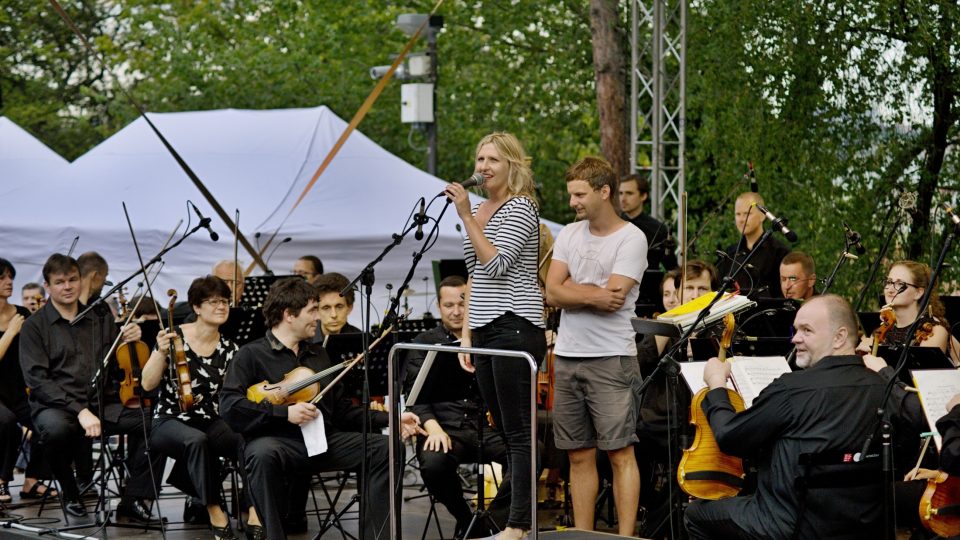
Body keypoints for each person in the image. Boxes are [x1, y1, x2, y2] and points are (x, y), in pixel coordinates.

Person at [219, 277, 423, 540]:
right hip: (278, 442)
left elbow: (342, 412)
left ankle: (376, 536)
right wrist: (284, 413)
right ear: (289, 315)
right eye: (313, 310)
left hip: (321, 442)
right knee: (260, 453)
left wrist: (391, 418)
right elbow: (230, 407)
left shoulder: (319, 355)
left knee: (383, 448)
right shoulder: (250, 354)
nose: (319, 318)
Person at [684, 294, 891, 539]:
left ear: (839, 337)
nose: (795, 338)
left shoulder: (792, 389)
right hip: (862, 526)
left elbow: (730, 437)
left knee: (695, 514)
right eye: (795, 329)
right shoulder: (883, 388)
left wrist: (717, 386)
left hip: (788, 525)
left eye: (807, 330)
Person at [445, 132, 547, 540]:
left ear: (512, 166)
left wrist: (468, 216)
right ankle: (513, 518)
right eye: (480, 158)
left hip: (515, 325)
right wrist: (466, 334)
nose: (483, 166)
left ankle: (519, 525)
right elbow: (474, 278)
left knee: (520, 433)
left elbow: (498, 266)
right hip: (486, 328)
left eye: (493, 160)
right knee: (506, 433)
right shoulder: (483, 207)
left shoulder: (521, 207)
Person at [545, 157, 647, 535]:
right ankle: (584, 535)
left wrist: (572, 291)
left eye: (579, 194)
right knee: (578, 455)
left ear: (604, 192)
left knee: (620, 453)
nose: (573, 202)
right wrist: (591, 294)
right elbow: (552, 290)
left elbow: (616, 299)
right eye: (571, 193)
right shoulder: (570, 234)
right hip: (568, 357)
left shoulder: (631, 237)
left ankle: (625, 537)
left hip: (612, 357)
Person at [19, 254, 163, 521]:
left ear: (80, 280)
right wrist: (80, 411)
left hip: (102, 402)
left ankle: (134, 498)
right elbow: (38, 381)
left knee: (157, 423)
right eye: (59, 282)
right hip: (57, 406)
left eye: (72, 279)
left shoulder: (100, 316)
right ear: (47, 286)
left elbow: (114, 365)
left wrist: (129, 340)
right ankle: (73, 492)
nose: (68, 286)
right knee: (54, 431)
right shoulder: (34, 327)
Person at [141, 275, 249, 539]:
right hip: (169, 420)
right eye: (213, 302)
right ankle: (214, 508)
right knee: (196, 440)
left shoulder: (231, 348)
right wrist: (160, 352)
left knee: (247, 440)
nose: (222, 306)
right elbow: (147, 384)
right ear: (197, 307)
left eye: (225, 301)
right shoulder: (173, 337)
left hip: (210, 419)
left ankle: (253, 508)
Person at [403, 275, 510, 537]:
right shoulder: (424, 342)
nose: (457, 311)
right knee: (433, 463)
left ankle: (493, 521)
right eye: (449, 305)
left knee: (532, 453)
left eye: (463, 303)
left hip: (486, 426)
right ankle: (465, 518)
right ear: (439, 306)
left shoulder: (487, 338)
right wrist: (433, 428)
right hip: (445, 427)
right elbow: (414, 396)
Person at [0, 258, 54, 503]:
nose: (9, 282)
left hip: (19, 391)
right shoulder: (15, 323)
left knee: (48, 422)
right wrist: (11, 333)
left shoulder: (21, 314)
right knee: (7, 423)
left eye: (10, 276)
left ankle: (32, 480)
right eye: (2, 278)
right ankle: (2, 481)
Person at [857, 260, 950, 354]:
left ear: (918, 293)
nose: (890, 289)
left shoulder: (933, 331)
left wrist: (878, 354)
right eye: (889, 282)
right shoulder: (882, 331)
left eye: (900, 284)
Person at [716, 192, 790, 298]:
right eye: (738, 214)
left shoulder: (779, 252)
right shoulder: (730, 253)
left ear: (762, 216)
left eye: (747, 214)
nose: (741, 219)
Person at [618, 173, 676, 271]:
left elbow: (671, 267)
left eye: (629, 193)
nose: (623, 199)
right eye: (620, 193)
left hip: (649, 284)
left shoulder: (658, 229)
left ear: (643, 196)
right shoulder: (612, 225)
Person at [311, 272, 360, 342]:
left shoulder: (361, 341)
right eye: (326, 308)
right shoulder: (303, 340)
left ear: (349, 308)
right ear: (316, 310)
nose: (334, 315)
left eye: (339, 307)